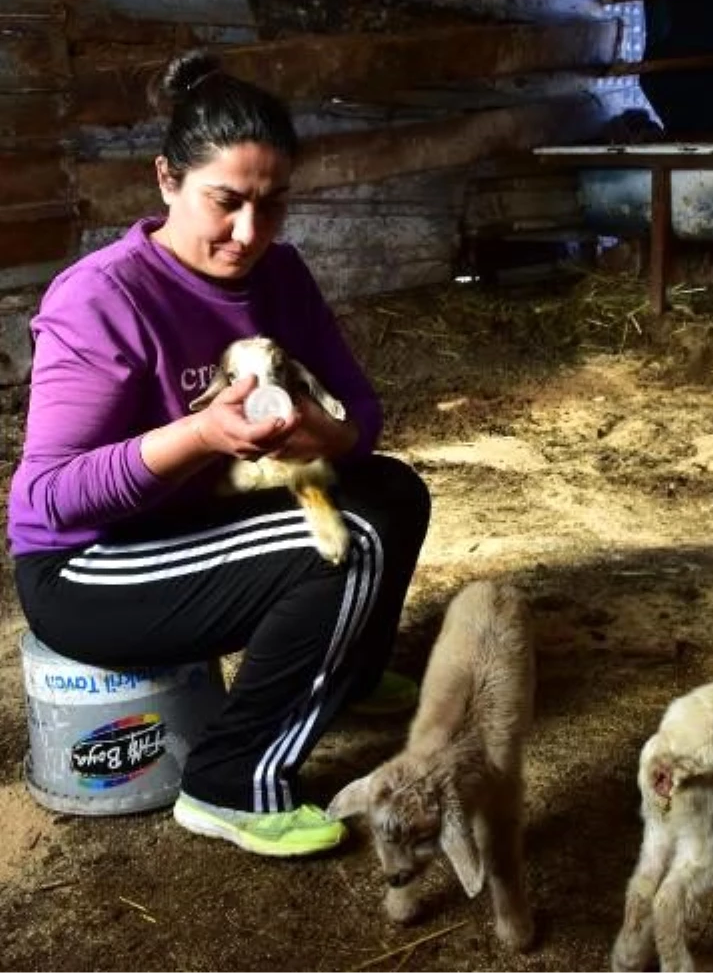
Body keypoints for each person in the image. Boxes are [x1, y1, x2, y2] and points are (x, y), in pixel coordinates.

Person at [6, 50, 431, 857]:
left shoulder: (281, 274)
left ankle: (350, 676)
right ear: (167, 179)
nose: (248, 234)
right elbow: (47, 498)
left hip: (191, 515)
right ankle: (228, 784)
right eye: (226, 202)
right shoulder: (104, 299)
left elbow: (364, 411)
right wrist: (201, 435)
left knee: (394, 493)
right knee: (343, 545)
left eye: (272, 208)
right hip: (85, 569)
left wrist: (327, 435)